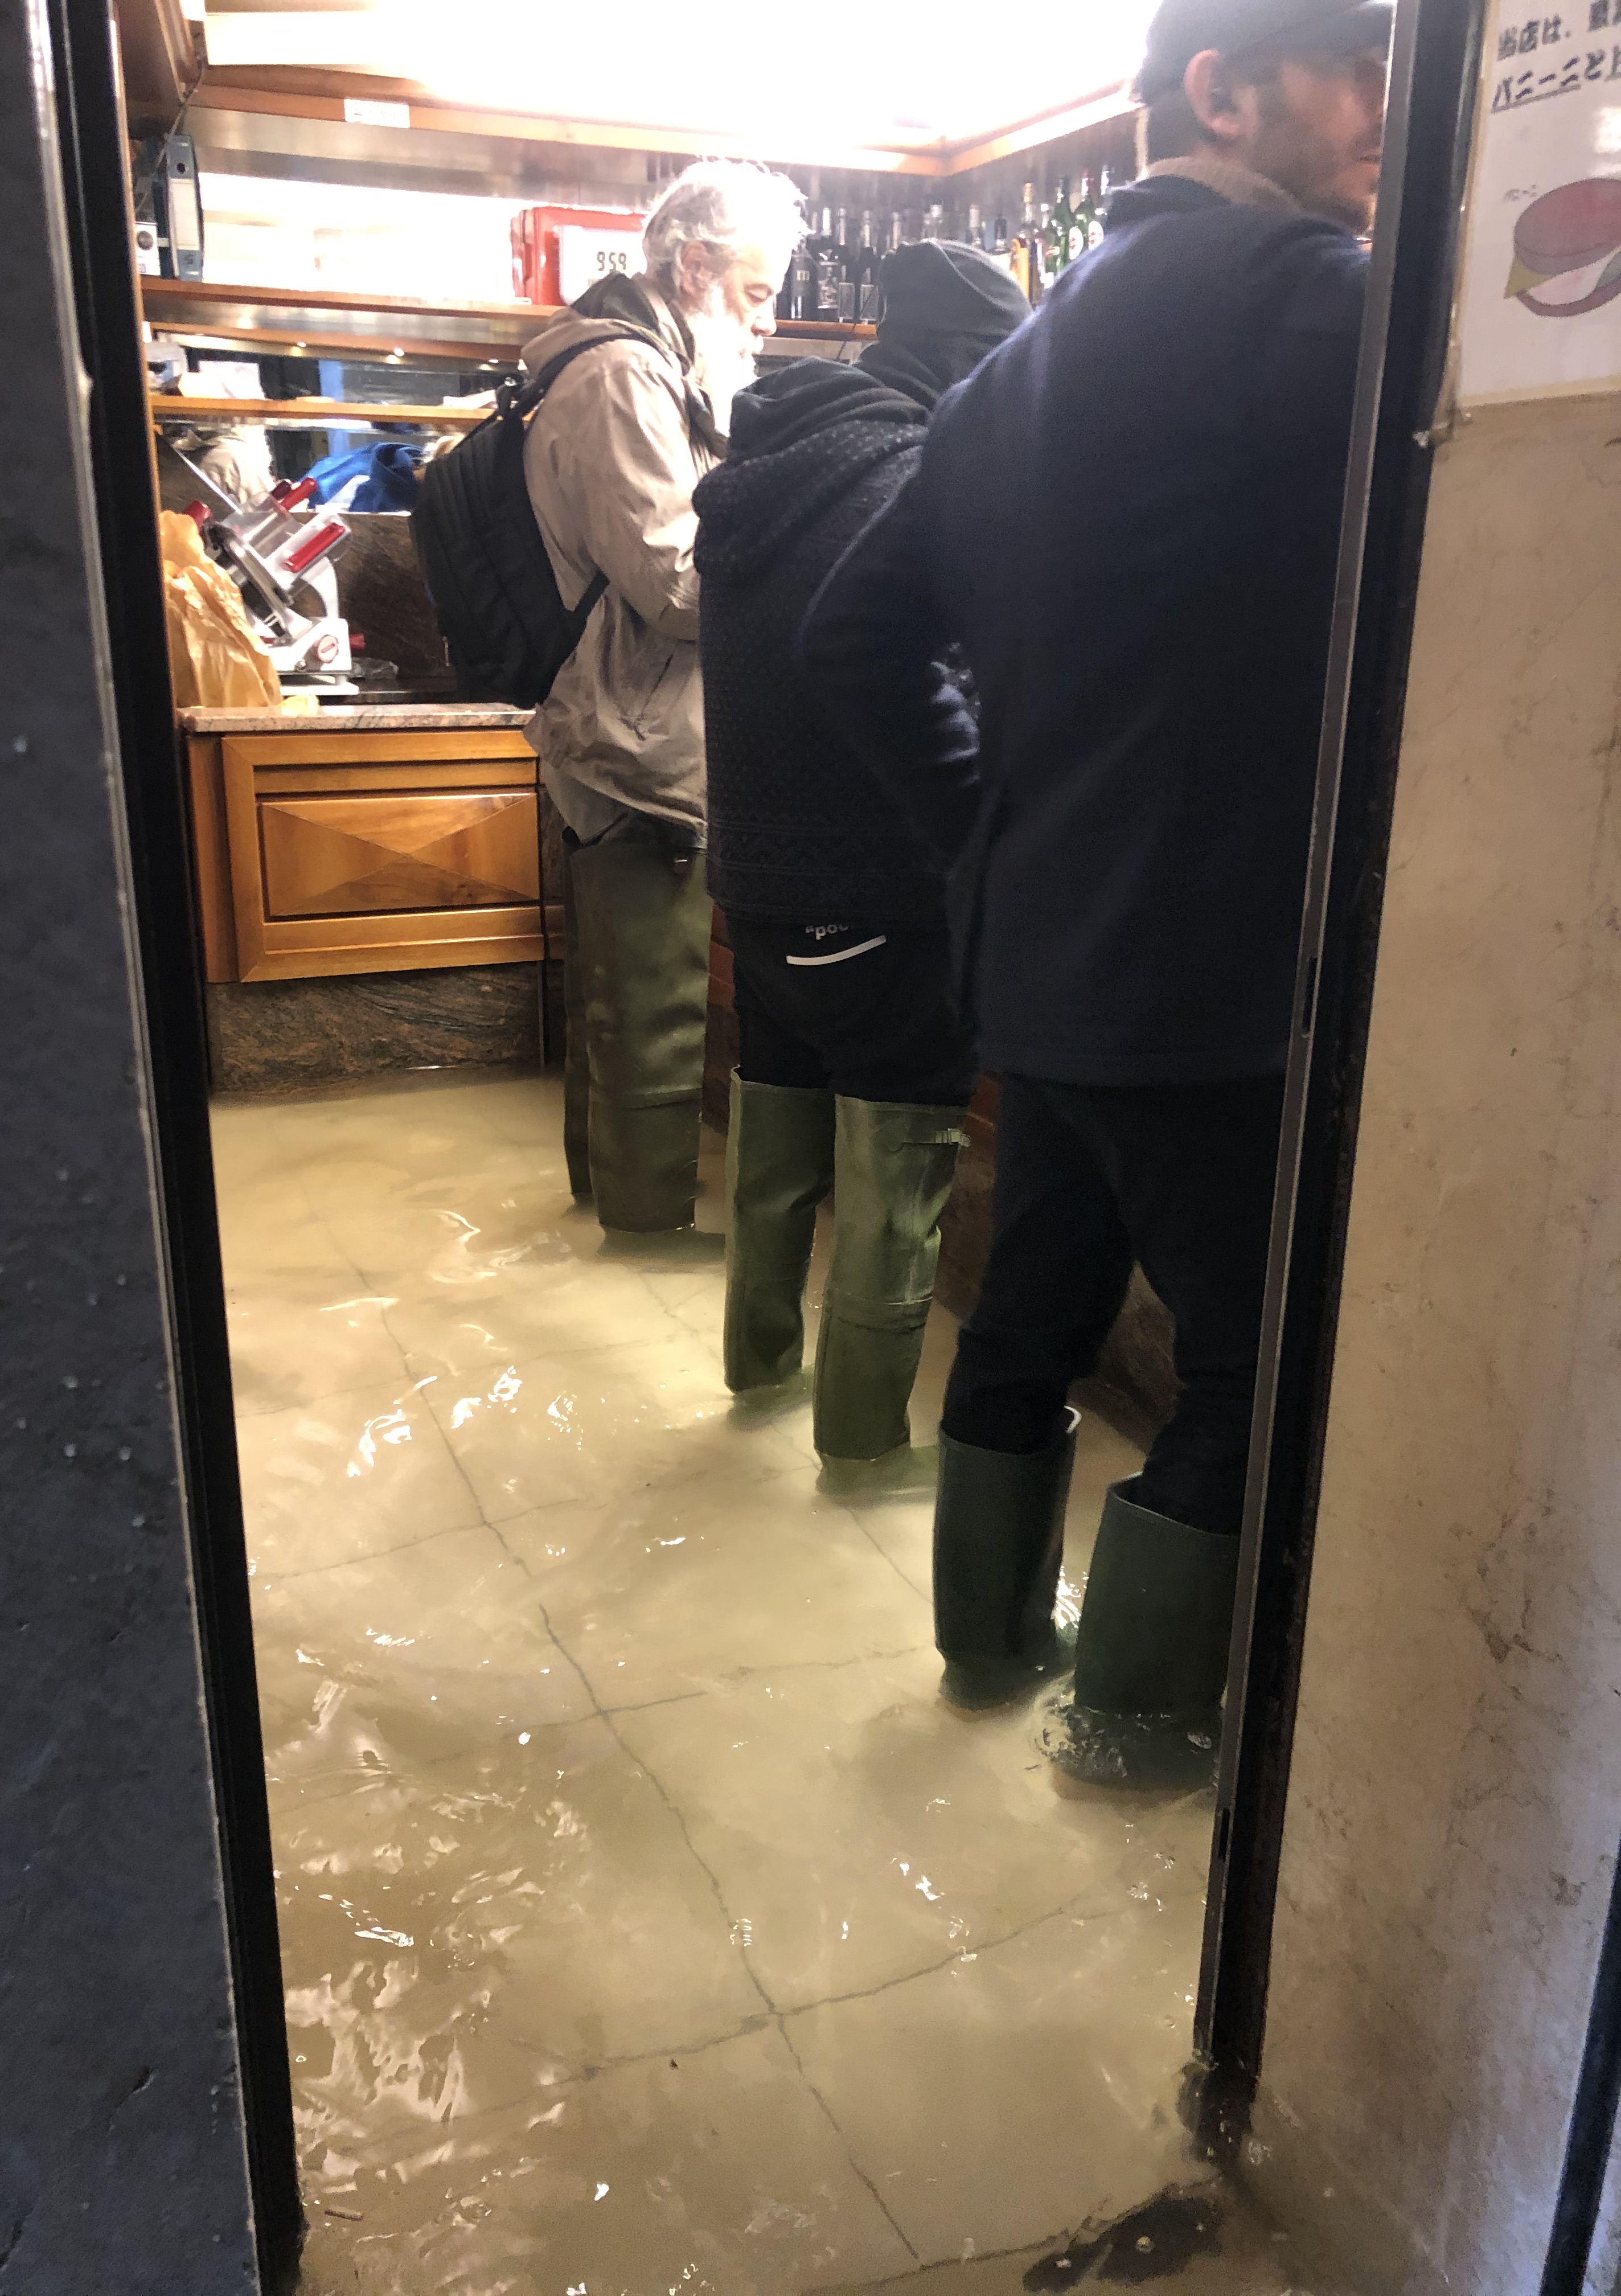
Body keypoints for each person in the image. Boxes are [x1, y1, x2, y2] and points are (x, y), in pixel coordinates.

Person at [802, 0, 1390, 1754]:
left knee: (1029, 1318)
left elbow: (854, 639)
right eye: (1361, 66)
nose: (1390, 107)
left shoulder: (1003, 380)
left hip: (1040, 961)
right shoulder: (1321, 303)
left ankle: (987, 1662)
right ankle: (1131, 1746)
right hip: (1206, 974)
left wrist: (989, 821)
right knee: (1255, 1366)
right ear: (1224, 90)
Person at [693, 242, 1029, 1466]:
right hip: (879, 890)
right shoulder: (910, 470)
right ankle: (861, 1462)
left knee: (776, 1162)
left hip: (759, 891)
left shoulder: (768, 460)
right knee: (898, 1196)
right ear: (967, 365)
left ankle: (757, 1382)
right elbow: (916, 674)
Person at [520, 162, 804, 1236]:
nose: (767, 325)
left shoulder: (621, 364)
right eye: (757, 293)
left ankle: (612, 1215)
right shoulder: (624, 380)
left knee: (619, 1001)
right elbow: (680, 587)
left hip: (612, 727)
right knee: (654, 1010)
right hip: (632, 743)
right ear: (693, 267)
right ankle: (645, 1240)